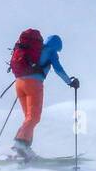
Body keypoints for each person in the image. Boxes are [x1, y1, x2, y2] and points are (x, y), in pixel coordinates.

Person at [9, 31, 78, 160]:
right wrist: (70, 82)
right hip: (33, 84)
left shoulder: (32, 49)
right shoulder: (51, 52)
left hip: (19, 83)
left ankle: (25, 148)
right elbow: (58, 69)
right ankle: (20, 144)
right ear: (57, 46)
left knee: (29, 118)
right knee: (34, 118)